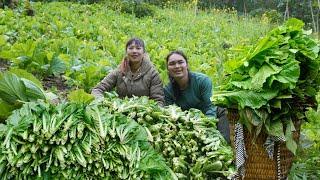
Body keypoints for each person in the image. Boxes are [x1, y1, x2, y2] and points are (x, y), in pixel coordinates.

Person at [164, 50, 230, 143]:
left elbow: (210, 107)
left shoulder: (202, 81)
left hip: (211, 117)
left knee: (222, 144)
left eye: (180, 62)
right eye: (172, 64)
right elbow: (171, 115)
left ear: (187, 65)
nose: (177, 66)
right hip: (189, 122)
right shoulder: (168, 90)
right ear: (168, 69)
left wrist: (205, 129)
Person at [91, 38, 164, 106]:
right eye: (131, 48)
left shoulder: (152, 73)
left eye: (138, 48)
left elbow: (158, 100)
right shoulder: (119, 71)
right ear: (126, 52)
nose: (134, 51)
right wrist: (102, 102)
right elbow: (98, 89)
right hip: (120, 112)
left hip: (142, 116)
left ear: (144, 52)